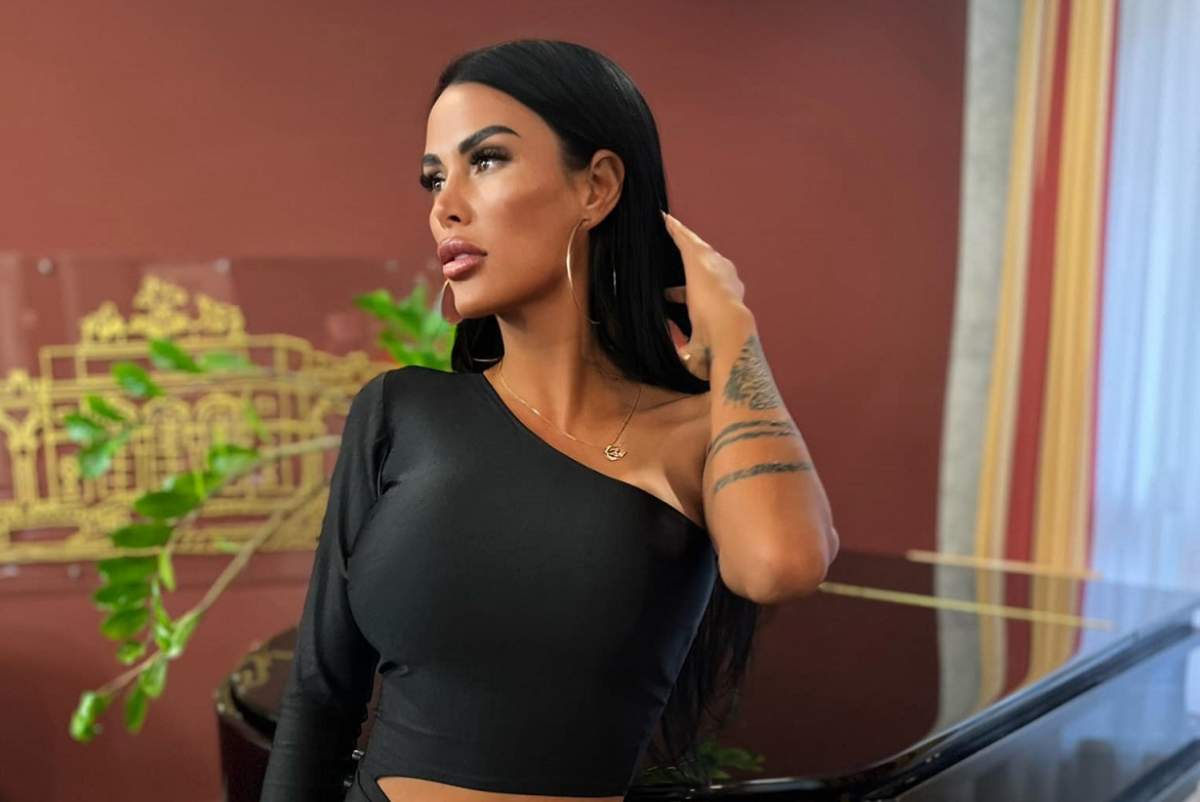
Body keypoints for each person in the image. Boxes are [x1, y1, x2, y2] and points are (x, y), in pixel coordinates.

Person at [260, 38, 836, 802]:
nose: (444, 205)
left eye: (485, 160)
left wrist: (734, 333)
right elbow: (318, 699)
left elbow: (780, 564)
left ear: (597, 187)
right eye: (434, 177)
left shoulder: (697, 433)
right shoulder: (401, 412)